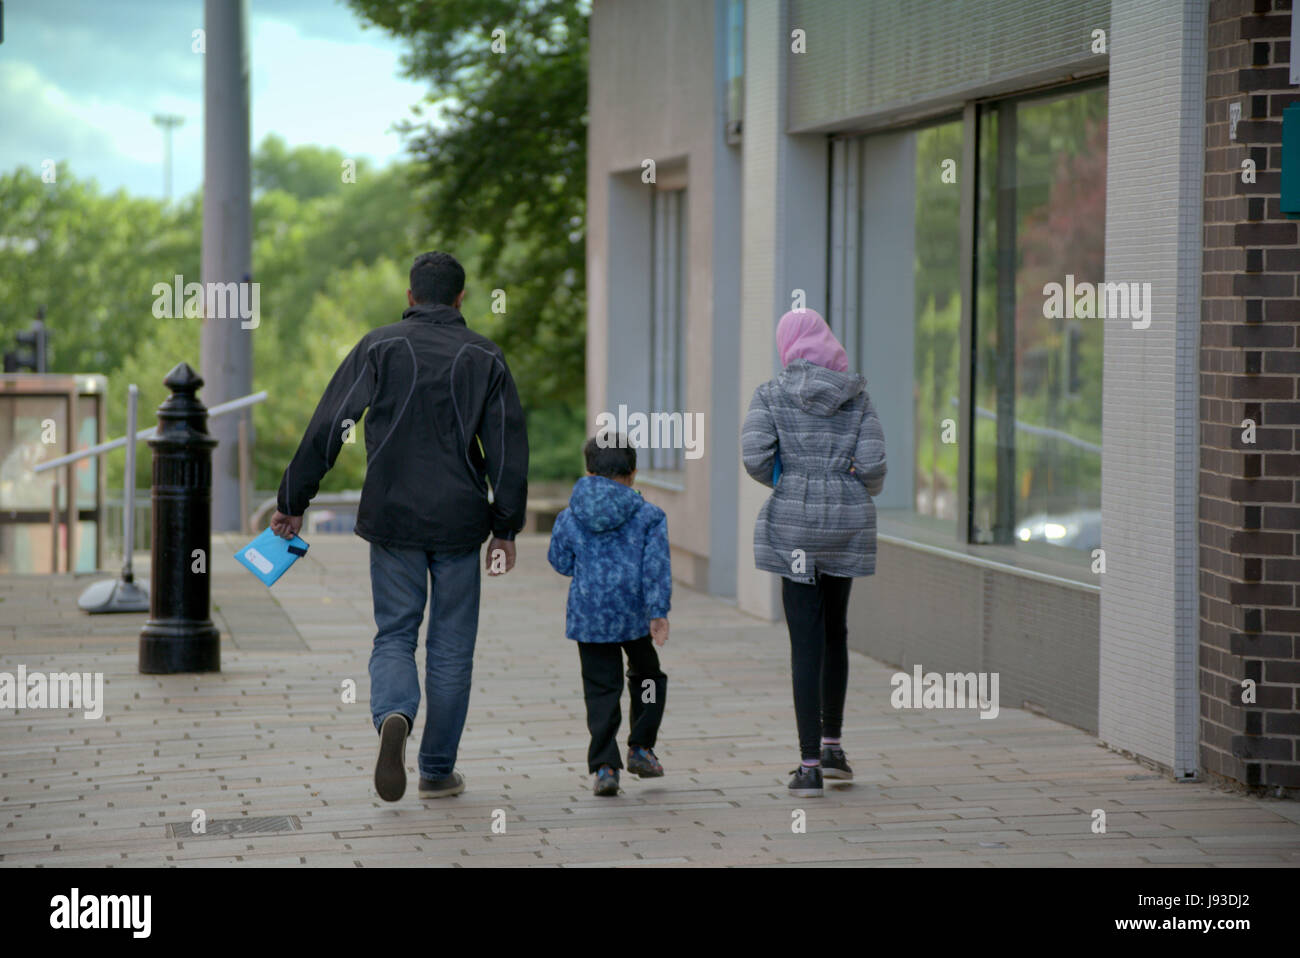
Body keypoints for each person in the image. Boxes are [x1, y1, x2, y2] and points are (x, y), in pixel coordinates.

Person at [270, 251, 528, 802]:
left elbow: (331, 424)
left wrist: (294, 498)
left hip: (392, 516)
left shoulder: (379, 346)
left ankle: (393, 715)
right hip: (461, 522)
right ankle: (436, 770)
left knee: (394, 635)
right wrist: (506, 529)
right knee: (452, 648)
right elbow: (507, 449)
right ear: (461, 298)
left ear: (410, 297)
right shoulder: (486, 355)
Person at [741, 309, 886, 798]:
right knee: (835, 632)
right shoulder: (857, 397)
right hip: (846, 523)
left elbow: (754, 456)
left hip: (794, 528)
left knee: (804, 641)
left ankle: (808, 768)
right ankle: (833, 747)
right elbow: (873, 464)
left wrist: (790, 478)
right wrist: (846, 480)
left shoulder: (771, 393)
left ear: (788, 344)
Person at [546, 434, 671, 796]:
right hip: (634, 614)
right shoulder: (649, 515)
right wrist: (658, 612)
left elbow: (560, 561)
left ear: (589, 471)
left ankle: (604, 766)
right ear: (633, 473)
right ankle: (641, 747)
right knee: (648, 677)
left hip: (590, 616)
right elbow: (657, 568)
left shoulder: (570, 515)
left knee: (601, 689)